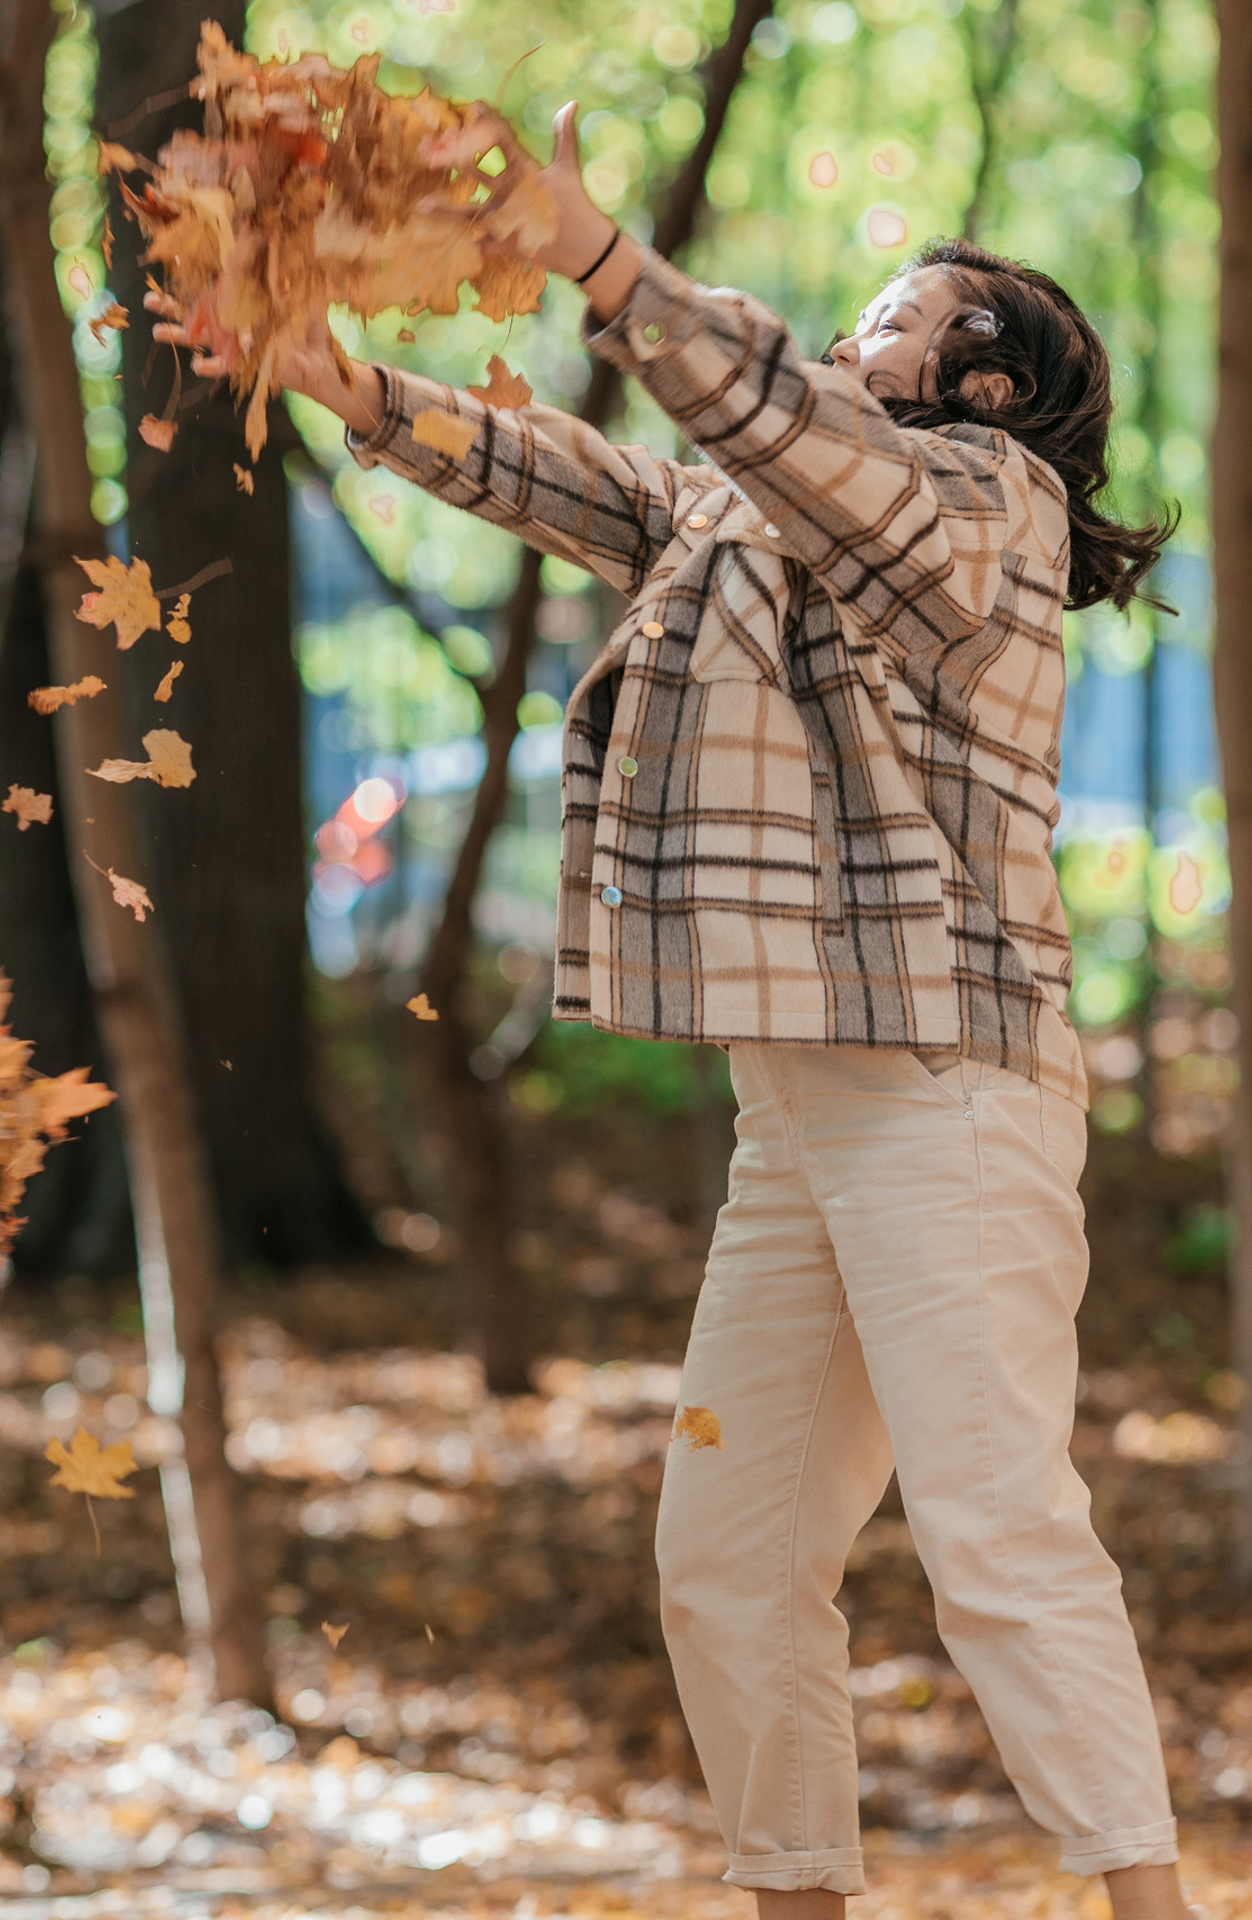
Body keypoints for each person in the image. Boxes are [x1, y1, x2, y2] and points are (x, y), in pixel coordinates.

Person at [157, 99, 1184, 1920]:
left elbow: (782, 424)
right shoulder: (753, 515)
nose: (856, 321)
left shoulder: (982, 506)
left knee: (995, 1536)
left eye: (895, 307)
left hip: (946, 1086)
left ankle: (1152, 1908)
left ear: (992, 384)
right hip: (797, 1117)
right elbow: (583, 479)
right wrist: (331, 372)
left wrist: (603, 259)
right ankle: (797, 1894)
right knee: (726, 1553)